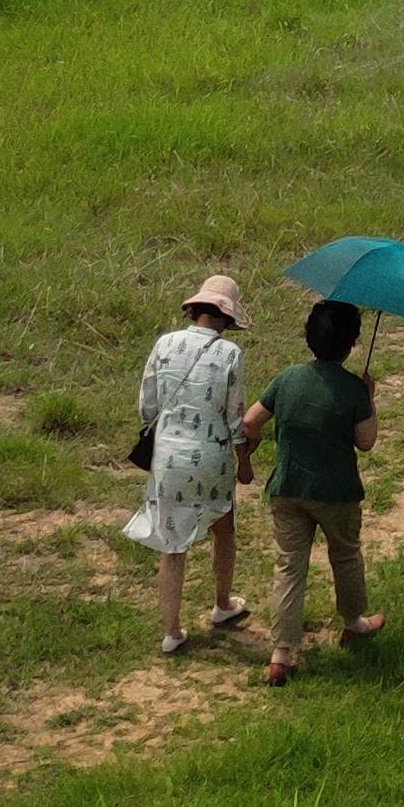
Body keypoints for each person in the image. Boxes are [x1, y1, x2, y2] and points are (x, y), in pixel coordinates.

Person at [244, 297, 384, 685]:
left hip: (287, 487)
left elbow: (250, 421)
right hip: (337, 492)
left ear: (308, 337)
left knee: (289, 566)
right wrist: (369, 399)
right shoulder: (353, 389)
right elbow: (366, 441)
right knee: (346, 556)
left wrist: (250, 451)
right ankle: (354, 623)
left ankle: (282, 652)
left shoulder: (287, 378)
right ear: (352, 343)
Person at [122, 272, 252, 653]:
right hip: (212, 457)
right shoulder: (231, 354)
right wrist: (244, 460)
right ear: (227, 317)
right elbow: (235, 417)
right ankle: (222, 603)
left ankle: (172, 630)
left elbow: (147, 407)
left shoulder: (165, 344)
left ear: (195, 309)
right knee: (223, 528)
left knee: (173, 544)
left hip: (168, 458)